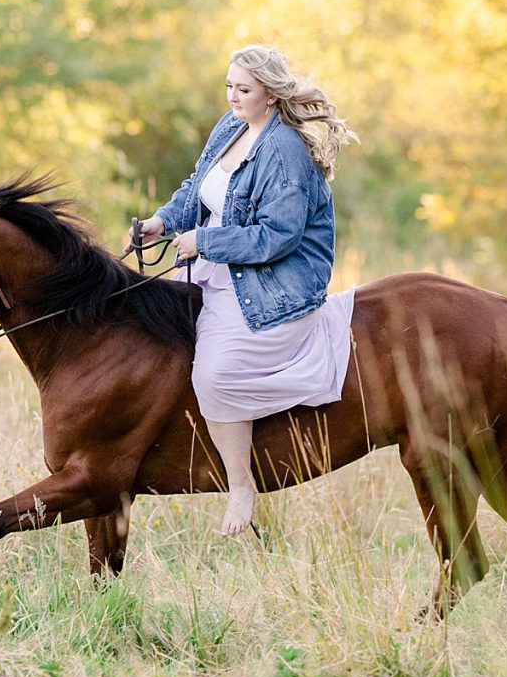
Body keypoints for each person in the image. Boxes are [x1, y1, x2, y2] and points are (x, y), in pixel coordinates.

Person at [133, 45, 358, 536]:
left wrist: (204, 240)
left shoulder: (284, 152)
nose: (233, 96)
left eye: (244, 90)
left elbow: (279, 236)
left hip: (274, 283)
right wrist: (162, 221)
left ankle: (240, 487)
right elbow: (198, 187)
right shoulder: (230, 126)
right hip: (223, 268)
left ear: (271, 96)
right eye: (229, 86)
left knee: (214, 375)